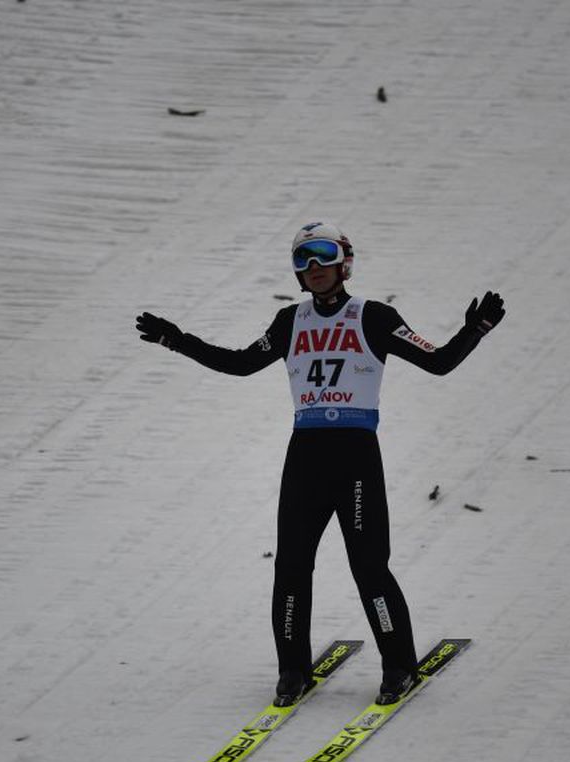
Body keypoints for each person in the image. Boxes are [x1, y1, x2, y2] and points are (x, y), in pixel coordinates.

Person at [136, 221, 504, 706]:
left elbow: (437, 362)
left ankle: (398, 665)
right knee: (291, 566)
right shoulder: (290, 321)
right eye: (302, 257)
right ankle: (292, 670)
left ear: (344, 261)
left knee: (369, 567)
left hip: (355, 457)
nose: (313, 266)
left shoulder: (374, 317)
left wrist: (475, 330)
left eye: (323, 254)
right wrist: (176, 339)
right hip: (306, 455)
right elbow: (241, 364)